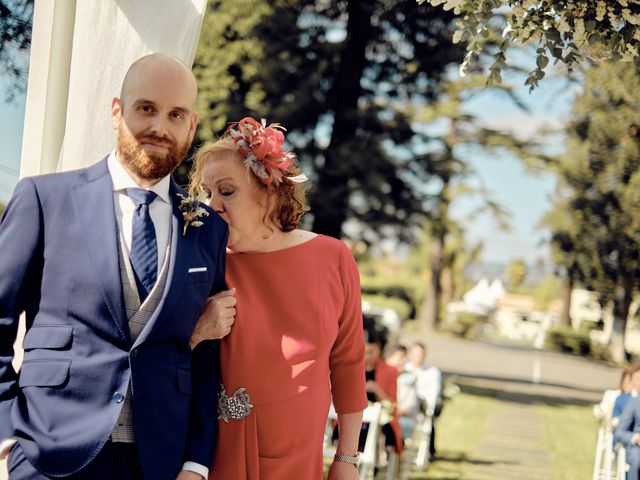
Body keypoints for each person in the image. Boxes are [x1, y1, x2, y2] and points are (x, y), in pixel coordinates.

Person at [0, 53, 228, 480]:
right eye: (146, 108)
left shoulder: (208, 229)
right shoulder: (43, 199)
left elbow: (208, 361)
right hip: (47, 454)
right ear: (116, 111)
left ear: (191, 125)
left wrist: (196, 463)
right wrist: (6, 432)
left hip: (159, 460)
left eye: (175, 114)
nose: (160, 127)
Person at [188, 117, 367, 480]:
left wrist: (346, 459)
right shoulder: (204, 265)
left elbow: (348, 363)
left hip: (299, 457)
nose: (212, 205)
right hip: (220, 455)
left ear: (268, 190)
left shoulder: (332, 257)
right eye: (206, 193)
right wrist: (198, 330)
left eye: (226, 191)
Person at [361, 330, 404, 456]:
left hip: (381, 419)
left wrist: (379, 391)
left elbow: (393, 405)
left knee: (379, 432)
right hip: (356, 418)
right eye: (364, 352)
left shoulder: (390, 371)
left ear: (379, 349)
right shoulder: (352, 368)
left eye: (371, 352)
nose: (367, 356)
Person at [407, 342, 442, 460]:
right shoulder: (403, 368)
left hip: (421, 407)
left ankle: (430, 451)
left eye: (420, 353)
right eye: (415, 353)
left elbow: (432, 395)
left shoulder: (432, 372)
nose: (417, 356)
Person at [613, 365, 640, 480]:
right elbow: (619, 432)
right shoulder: (634, 402)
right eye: (637, 379)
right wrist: (636, 438)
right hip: (637, 447)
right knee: (637, 460)